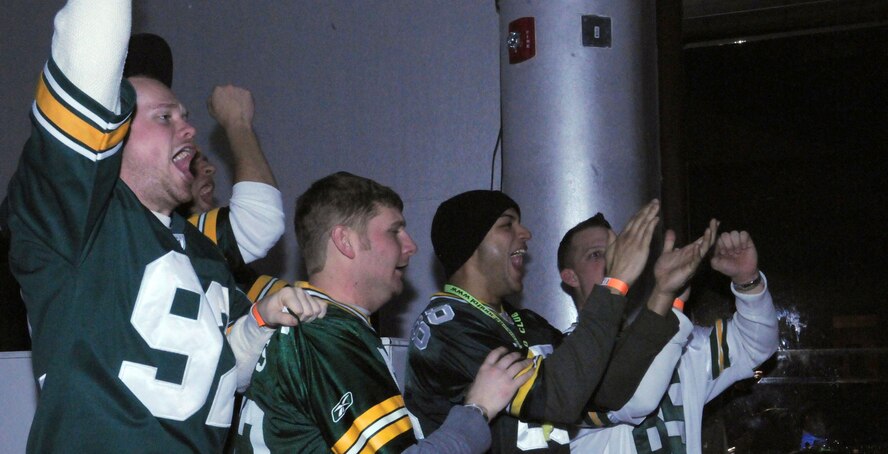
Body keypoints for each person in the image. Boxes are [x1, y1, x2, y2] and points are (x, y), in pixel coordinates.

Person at [6, 1, 321, 451]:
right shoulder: (78, 221)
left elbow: (214, 373)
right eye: (164, 117)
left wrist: (261, 321)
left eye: (186, 116)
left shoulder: (199, 248)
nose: (189, 129)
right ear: (111, 131)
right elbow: (88, 53)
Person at [235, 172, 534, 453]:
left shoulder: (317, 326)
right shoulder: (328, 333)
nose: (411, 246)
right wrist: (478, 409)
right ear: (345, 241)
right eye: (394, 231)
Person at [404, 192, 679, 453]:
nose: (526, 233)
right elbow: (558, 396)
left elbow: (606, 391)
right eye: (507, 225)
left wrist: (662, 296)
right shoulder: (446, 328)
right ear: (470, 243)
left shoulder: (525, 322)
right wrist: (614, 283)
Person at [559, 216, 779, 453]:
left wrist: (747, 280)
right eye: (596, 254)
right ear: (571, 276)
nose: (613, 259)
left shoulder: (682, 345)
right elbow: (634, 400)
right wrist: (669, 302)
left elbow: (753, 345)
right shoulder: (561, 359)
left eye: (618, 251)